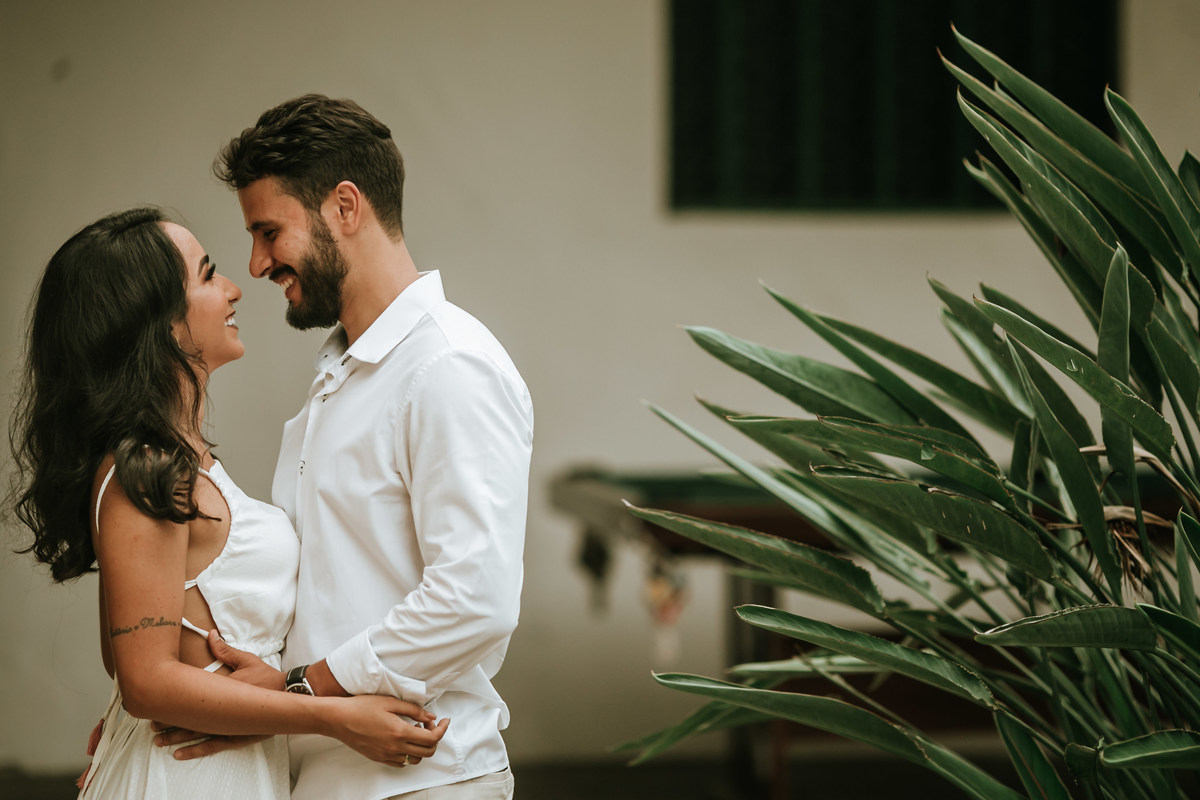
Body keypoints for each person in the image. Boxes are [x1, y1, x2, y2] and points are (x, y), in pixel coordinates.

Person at [158, 94, 534, 799]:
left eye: (269, 230)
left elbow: (476, 598)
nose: (257, 262)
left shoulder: (448, 365)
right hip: (328, 775)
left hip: (422, 779)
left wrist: (309, 688)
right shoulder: (341, 373)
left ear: (346, 207)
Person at [9, 207, 448, 799]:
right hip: (189, 776)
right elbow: (142, 680)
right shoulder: (148, 466)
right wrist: (336, 718)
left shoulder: (177, 461)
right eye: (209, 275)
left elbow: (135, 662)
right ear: (160, 321)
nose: (235, 287)